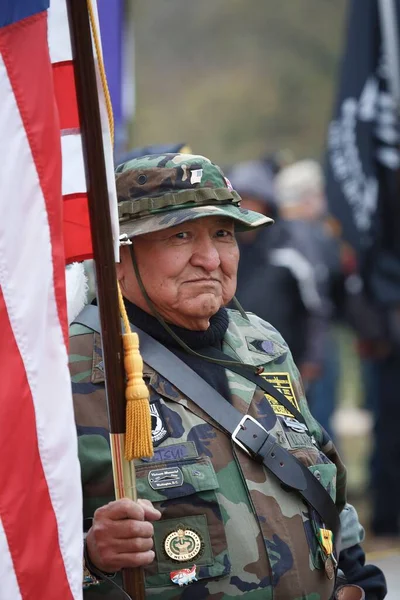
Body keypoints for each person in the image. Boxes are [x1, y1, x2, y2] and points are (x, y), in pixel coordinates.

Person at [70, 153, 386, 599]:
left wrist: (357, 576)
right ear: (117, 256)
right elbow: (20, 546)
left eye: (224, 234)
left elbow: (322, 474)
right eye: (180, 236)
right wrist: (89, 556)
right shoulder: (70, 369)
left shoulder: (261, 342)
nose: (210, 258)